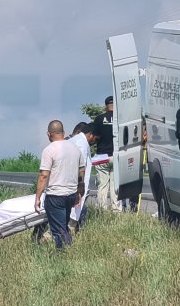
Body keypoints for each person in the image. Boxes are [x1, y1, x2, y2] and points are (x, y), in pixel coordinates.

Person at [35, 120, 85, 249]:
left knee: (58, 229)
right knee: (64, 225)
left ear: (48, 134)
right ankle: (68, 249)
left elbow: (44, 175)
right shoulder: (75, 149)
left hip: (55, 195)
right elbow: (81, 172)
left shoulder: (49, 150)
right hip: (71, 194)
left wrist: (38, 197)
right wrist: (79, 192)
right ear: (64, 132)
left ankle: (63, 253)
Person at [91, 95, 120, 211]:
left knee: (102, 185)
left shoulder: (99, 119)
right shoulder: (120, 118)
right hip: (116, 156)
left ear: (106, 106)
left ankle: (102, 210)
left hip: (102, 156)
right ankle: (116, 209)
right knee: (114, 185)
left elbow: (94, 137)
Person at [67, 122, 96, 227]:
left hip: (66, 185)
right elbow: (80, 168)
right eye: (95, 138)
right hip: (73, 187)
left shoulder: (74, 141)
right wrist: (80, 189)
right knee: (70, 218)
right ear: (91, 135)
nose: (94, 141)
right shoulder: (81, 144)